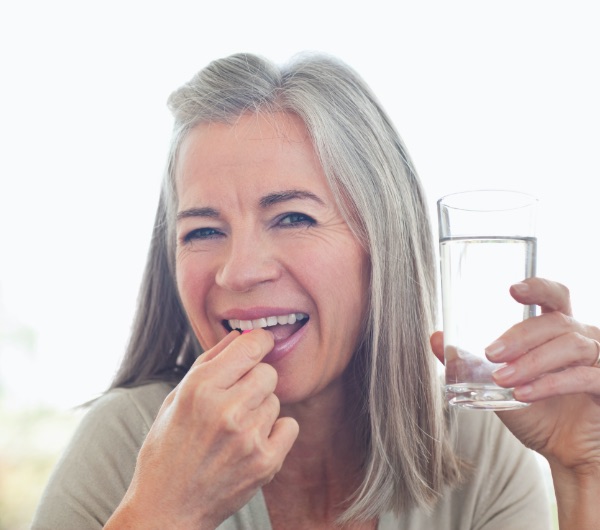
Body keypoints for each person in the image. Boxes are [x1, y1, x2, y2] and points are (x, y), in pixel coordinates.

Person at [31, 52, 600, 530]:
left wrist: (584, 474)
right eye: (203, 231)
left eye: (293, 218)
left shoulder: (480, 448)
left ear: (383, 244)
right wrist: (164, 511)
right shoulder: (125, 444)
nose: (239, 272)